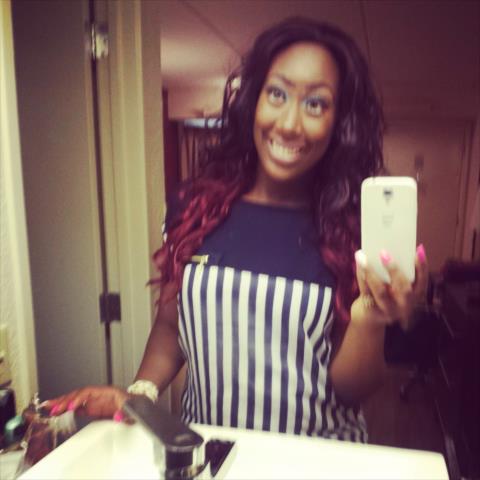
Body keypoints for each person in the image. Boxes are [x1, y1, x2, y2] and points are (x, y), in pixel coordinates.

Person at [46, 17, 428, 442]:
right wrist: (139, 397)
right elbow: (171, 326)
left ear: (340, 122)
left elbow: (351, 390)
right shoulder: (195, 208)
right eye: (277, 93)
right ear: (254, 99)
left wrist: (371, 317)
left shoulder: (350, 230)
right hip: (207, 453)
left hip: (315, 456)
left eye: (316, 104)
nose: (289, 123)